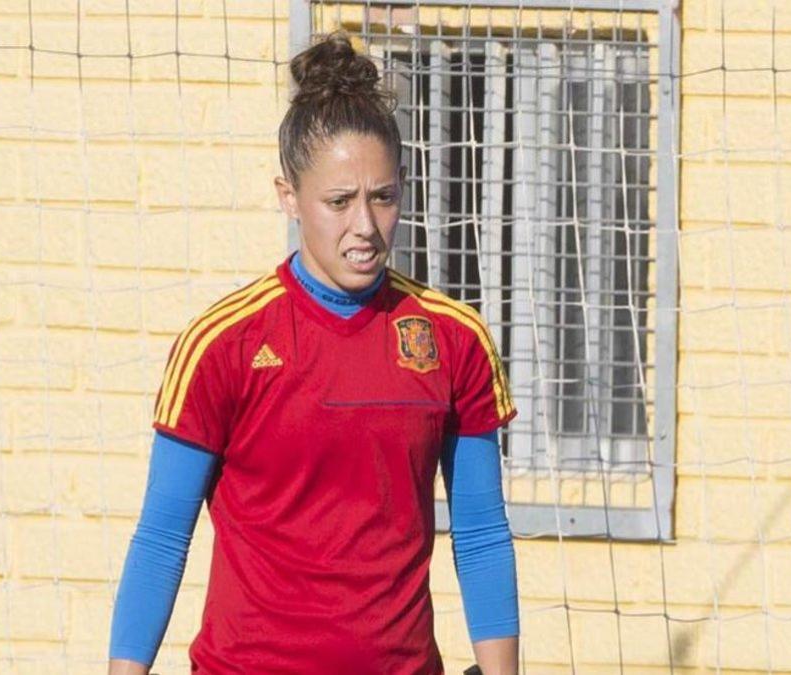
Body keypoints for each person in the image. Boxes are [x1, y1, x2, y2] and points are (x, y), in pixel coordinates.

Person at [108, 31, 520, 675]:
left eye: (383, 197)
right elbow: (162, 538)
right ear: (288, 197)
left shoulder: (453, 338)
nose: (364, 224)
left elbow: (482, 532)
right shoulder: (223, 345)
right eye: (338, 201)